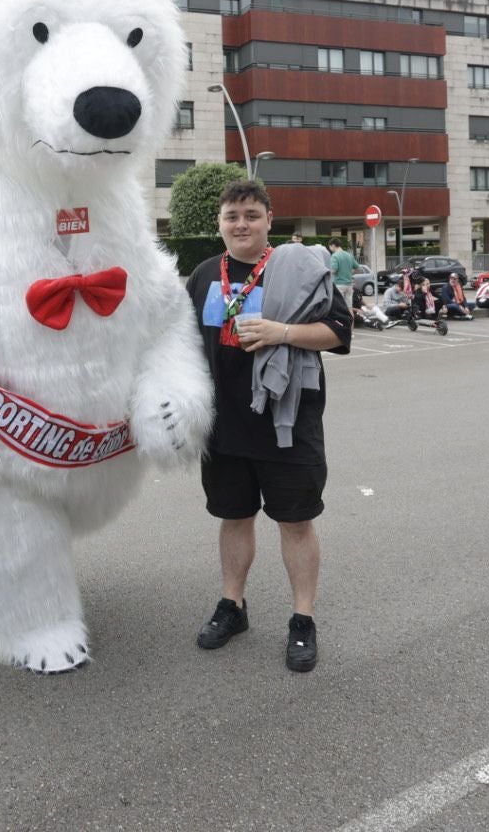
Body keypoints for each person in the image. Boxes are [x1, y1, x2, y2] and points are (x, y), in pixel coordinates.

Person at [187, 181, 349, 673]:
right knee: (232, 516)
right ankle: (232, 606)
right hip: (223, 427)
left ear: (269, 220)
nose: (241, 224)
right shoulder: (201, 276)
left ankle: (303, 620)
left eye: (251, 215)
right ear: (220, 222)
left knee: (295, 522)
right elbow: (181, 345)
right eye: (232, 215)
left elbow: (339, 332)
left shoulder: (299, 270)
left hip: (287, 423)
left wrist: (283, 332)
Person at [326, 237, 356, 314]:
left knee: (339, 308)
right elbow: (357, 267)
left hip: (339, 285)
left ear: (333, 245)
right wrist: (349, 273)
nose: (330, 249)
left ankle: (341, 326)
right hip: (349, 285)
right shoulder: (349, 255)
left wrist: (326, 271)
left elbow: (334, 270)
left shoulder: (335, 256)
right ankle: (350, 326)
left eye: (329, 247)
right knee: (349, 308)